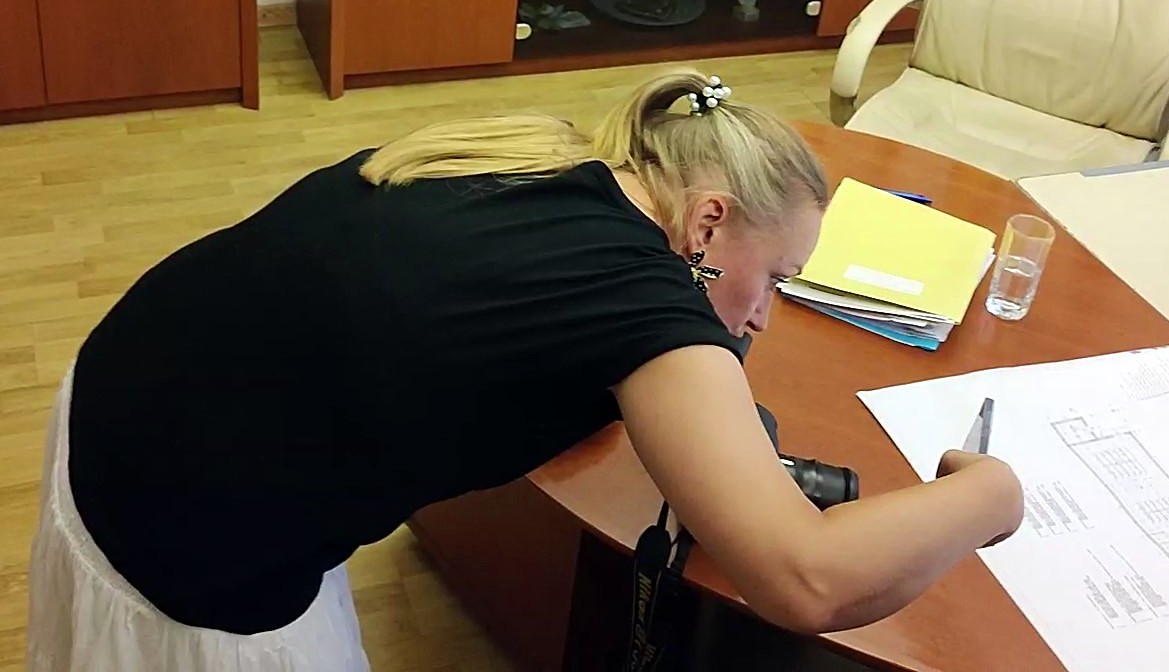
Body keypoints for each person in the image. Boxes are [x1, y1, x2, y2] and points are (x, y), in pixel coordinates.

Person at [25, 66, 1024, 671]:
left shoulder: (532, 153)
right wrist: (988, 494)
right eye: (773, 277)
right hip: (192, 539)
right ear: (707, 221)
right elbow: (806, 582)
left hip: (123, 397)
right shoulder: (640, 304)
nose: (762, 311)